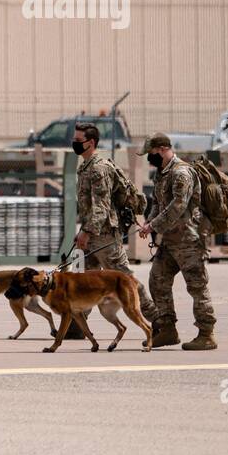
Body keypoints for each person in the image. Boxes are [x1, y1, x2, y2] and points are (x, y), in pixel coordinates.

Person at [72, 123, 161, 341]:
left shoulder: (99, 169)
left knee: (126, 282)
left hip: (104, 236)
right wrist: (84, 232)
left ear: (90, 143)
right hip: (91, 234)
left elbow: (101, 207)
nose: (74, 143)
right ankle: (77, 324)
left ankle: (159, 321)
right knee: (86, 282)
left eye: (78, 139)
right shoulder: (85, 167)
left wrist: (85, 231)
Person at [136, 133, 217, 350]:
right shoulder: (162, 173)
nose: (149, 158)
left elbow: (177, 206)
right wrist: (150, 221)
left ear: (162, 149)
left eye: (151, 154)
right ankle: (168, 330)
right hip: (170, 242)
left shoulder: (182, 172)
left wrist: (153, 226)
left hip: (189, 240)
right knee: (157, 281)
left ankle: (206, 334)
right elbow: (157, 203)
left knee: (197, 286)